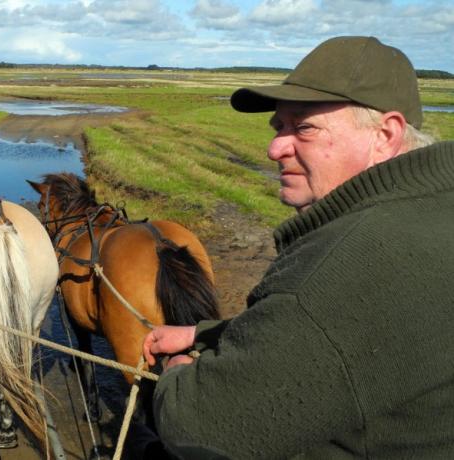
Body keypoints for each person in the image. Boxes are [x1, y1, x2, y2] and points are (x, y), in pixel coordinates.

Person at [141, 36, 454, 458]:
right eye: (278, 127)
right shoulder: (436, 204)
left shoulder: (343, 264)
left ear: (385, 135)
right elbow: (345, 336)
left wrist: (177, 373)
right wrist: (205, 333)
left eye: (304, 127)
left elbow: (202, 426)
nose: (274, 149)